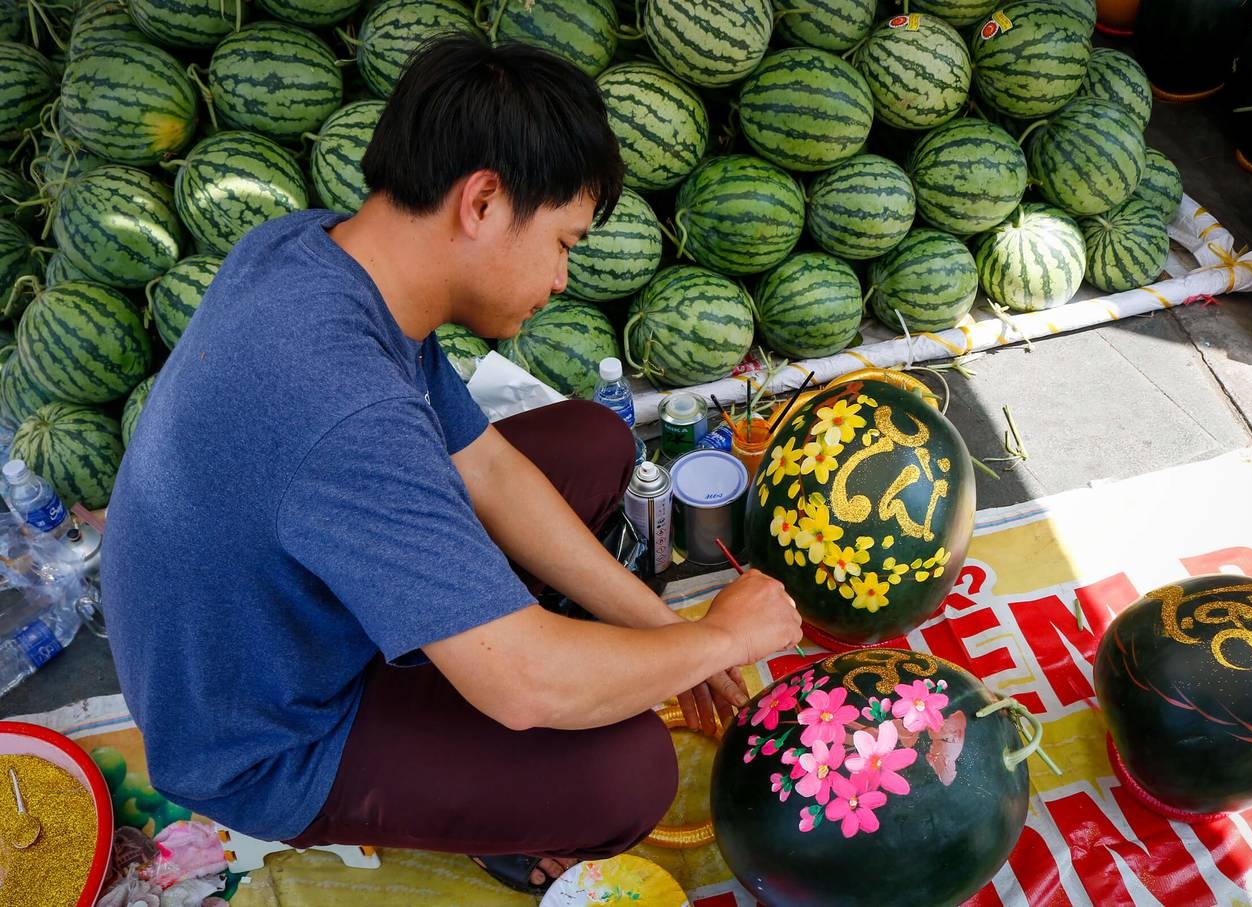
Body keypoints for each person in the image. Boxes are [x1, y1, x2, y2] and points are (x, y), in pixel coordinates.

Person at [99, 32, 804, 897]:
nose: (562, 278)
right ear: (482, 201)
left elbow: (491, 469)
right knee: (626, 772)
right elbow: (524, 685)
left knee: (594, 442)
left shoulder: (316, 250)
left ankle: (451, 645)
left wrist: (663, 634)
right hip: (265, 735)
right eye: (564, 243)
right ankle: (500, 824)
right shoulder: (350, 412)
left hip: (271, 614)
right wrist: (721, 637)